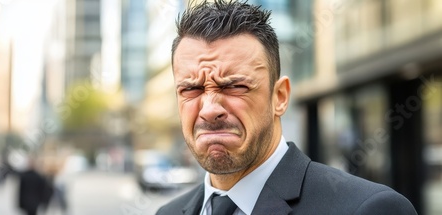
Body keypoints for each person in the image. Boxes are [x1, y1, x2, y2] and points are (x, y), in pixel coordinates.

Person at [157, 1, 417, 214]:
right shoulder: (168, 213)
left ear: (279, 97)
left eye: (234, 86)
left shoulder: (369, 209)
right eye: (192, 89)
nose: (209, 109)